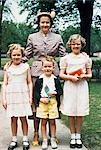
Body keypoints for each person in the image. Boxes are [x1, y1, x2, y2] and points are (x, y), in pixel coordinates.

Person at [23, 11, 66, 146]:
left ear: (50, 23)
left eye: (47, 22)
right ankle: (36, 133)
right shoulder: (32, 37)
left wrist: (77, 59)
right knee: (37, 104)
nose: (45, 24)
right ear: (39, 23)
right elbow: (27, 54)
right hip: (37, 73)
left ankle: (52, 135)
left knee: (53, 103)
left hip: (53, 72)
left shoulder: (58, 37)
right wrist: (14, 62)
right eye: (42, 22)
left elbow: (64, 55)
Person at [59, 34, 92, 149]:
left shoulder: (85, 58)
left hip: (82, 86)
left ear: (81, 45)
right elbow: (61, 74)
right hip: (70, 86)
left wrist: (84, 75)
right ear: (70, 45)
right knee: (71, 112)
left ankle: (78, 135)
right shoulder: (66, 59)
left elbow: (90, 74)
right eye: (73, 44)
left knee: (80, 112)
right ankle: (72, 136)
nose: (76, 46)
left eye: (78, 44)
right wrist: (70, 77)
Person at [2, 44, 33, 150]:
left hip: (23, 95)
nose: (16, 57)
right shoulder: (8, 68)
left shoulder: (25, 67)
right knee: (13, 118)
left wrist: (30, 96)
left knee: (23, 118)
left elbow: (29, 82)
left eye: (18, 55)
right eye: (14, 55)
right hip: (11, 96)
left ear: (22, 55)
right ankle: (14, 139)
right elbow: (5, 84)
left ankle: (25, 139)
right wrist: (4, 98)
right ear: (10, 56)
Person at [34, 56, 63, 149]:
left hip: (53, 102)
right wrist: (40, 99)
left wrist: (55, 93)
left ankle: (53, 139)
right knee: (43, 122)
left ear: (53, 68)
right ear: (42, 68)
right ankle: (45, 139)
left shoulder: (55, 79)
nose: (47, 69)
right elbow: (36, 93)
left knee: (52, 122)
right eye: (45, 67)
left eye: (49, 66)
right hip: (42, 102)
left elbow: (60, 91)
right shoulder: (39, 80)